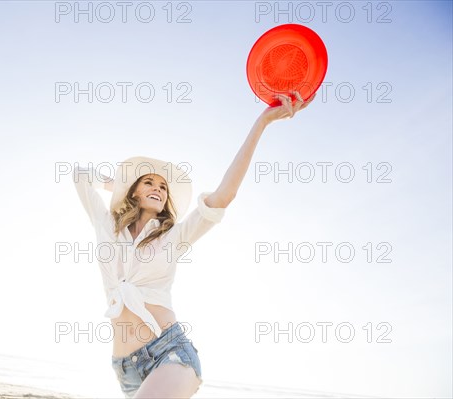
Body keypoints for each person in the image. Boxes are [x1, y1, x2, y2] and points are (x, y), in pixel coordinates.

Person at [72, 91, 316, 398]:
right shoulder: (106, 226)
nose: (158, 189)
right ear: (133, 191)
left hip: (169, 355)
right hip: (125, 369)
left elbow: (223, 196)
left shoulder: (173, 237)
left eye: (163, 187)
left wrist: (262, 122)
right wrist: (118, 184)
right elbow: (79, 176)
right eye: (149, 182)